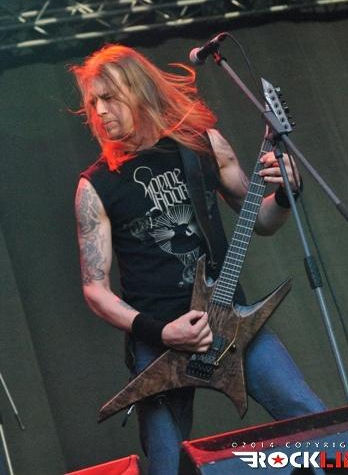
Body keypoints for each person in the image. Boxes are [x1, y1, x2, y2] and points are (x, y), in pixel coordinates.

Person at [72, 43, 325, 475]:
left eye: (108, 97)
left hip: (231, 319)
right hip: (159, 339)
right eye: (93, 103)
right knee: (167, 463)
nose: (99, 111)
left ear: (139, 89)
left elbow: (261, 220)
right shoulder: (95, 186)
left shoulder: (202, 144)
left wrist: (286, 195)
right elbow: (95, 289)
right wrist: (160, 331)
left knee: (310, 417)